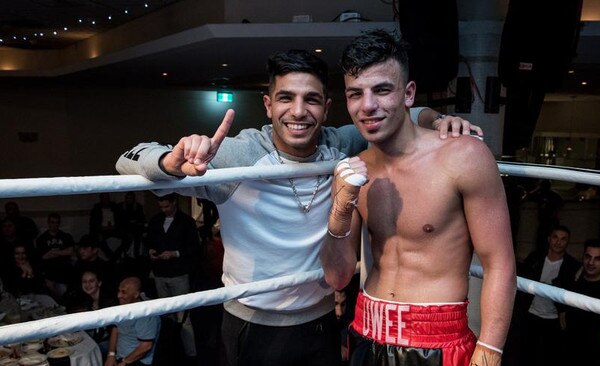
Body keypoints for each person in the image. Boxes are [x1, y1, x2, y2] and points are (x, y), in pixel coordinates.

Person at [116, 48, 481, 366]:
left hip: (321, 322)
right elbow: (127, 158)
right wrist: (170, 161)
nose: (298, 111)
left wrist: (440, 120)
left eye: (311, 99)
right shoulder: (238, 156)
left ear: (326, 107)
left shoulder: (339, 143)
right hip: (250, 325)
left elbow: (408, 114)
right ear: (268, 104)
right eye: (286, 97)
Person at [320, 30, 516, 366]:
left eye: (382, 90)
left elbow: (499, 263)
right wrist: (340, 210)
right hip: (366, 329)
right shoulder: (355, 169)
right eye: (356, 94)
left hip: (436, 342)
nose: (368, 106)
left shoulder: (463, 157)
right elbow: (337, 277)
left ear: (409, 94)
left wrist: (490, 350)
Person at [504, 225, 580, 366]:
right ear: (549, 239)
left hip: (554, 320)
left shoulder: (572, 265)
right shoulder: (535, 258)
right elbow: (520, 283)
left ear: (568, 242)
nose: (558, 242)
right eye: (555, 237)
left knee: (548, 356)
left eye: (563, 239)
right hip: (530, 315)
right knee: (524, 353)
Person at [146, 193, 199, 359]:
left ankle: (191, 354)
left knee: (184, 317)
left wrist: (175, 253)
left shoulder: (187, 222)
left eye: (167, 206)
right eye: (161, 207)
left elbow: (195, 248)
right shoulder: (155, 220)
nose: (164, 210)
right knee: (166, 316)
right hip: (160, 273)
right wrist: (151, 251)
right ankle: (170, 351)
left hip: (179, 274)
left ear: (174, 202)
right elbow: (149, 241)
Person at [106, 276, 161, 366]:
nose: (118, 295)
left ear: (136, 294)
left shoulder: (146, 313)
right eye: (119, 291)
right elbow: (116, 329)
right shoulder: (123, 305)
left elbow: (146, 346)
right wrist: (111, 354)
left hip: (137, 360)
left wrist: (124, 362)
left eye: (123, 292)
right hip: (120, 355)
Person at [35, 212, 75, 301]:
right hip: (49, 271)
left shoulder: (66, 236)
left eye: (57, 222)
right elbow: (43, 256)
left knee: (65, 292)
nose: (54, 224)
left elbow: (71, 251)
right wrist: (62, 252)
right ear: (48, 223)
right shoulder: (42, 239)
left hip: (65, 270)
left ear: (59, 223)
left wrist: (54, 252)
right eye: (52, 222)